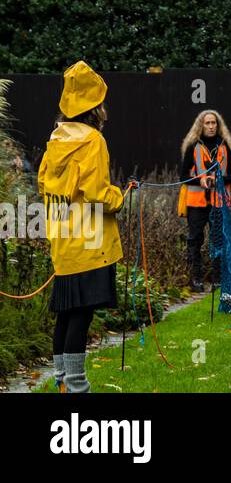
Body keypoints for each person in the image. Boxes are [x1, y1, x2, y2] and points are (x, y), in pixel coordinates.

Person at [38, 61, 126, 394]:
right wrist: (119, 198)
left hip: (64, 241)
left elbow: (44, 184)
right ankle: (77, 387)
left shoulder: (56, 137)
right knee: (82, 315)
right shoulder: (92, 141)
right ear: (94, 106)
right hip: (90, 244)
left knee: (66, 312)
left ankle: (62, 382)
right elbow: (96, 193)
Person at [179, 109, 231, 290]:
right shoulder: (193, 146)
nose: (211, 126)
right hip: (196, 203)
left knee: (218, 239)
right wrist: (201, 180)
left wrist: (218, 180)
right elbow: (183, 176)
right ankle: (196, 279)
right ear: (201, 125)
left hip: (219, 202)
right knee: (195, 239)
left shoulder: (225, 146)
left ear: (218, 126)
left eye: (214, 123)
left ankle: (217, 279)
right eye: (207, 123)